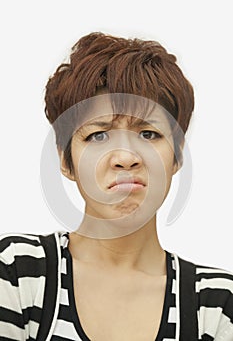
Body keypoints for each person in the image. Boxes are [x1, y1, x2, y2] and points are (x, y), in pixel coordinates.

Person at [0, 32, 233, 341]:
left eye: (148, 134)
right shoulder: (17, 273)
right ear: (66, 161)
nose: (125, 157)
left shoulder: (216, 305)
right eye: (98, 135)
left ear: (176, 157)